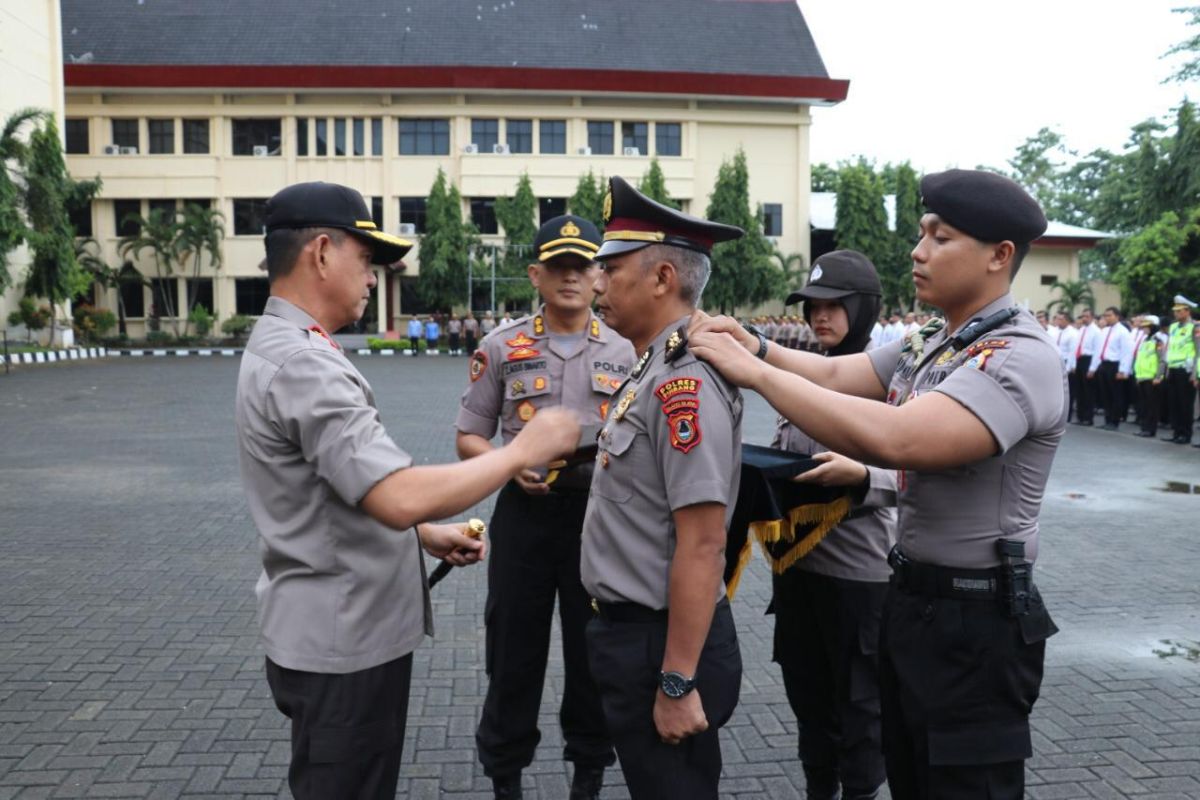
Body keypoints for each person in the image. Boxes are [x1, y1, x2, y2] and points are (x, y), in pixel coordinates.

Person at [690, 169, 1063, 800]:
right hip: (913, 600)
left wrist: (752, 374)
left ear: (1000, 256)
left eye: (939, 237)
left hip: (975, 619)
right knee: (908, 772)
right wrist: (752, 342)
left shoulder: (1014, 356)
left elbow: (900, 439)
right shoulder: (935, 342)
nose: (917, 252)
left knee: (964, 786)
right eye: (921, 234)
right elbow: (838, 377)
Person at [234, 181, 580, 800]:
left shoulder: (291, 346)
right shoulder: (304, 362)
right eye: (366, 261)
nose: (372, 279)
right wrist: (522, 451)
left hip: (331, 628)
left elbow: (338, 489)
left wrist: (423, 534)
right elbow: (394, 494)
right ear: (320, 253)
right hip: (343, 642)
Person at [455, 215, 633, 799]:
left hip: (597, 520)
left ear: (598, 276)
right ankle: (505, 776)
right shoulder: (501, 346)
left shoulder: (628, 349)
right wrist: (511, 463)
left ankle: (589, 775)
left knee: (593, 654)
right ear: (536, 274)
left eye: (583, 266)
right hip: (526, 518)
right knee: (513, 651)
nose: (572, 277)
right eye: (558, 266)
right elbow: (470, 436)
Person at [581, 176, 745, 799]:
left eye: (611, 267)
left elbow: (702, 544)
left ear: (662, 277)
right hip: (635, 635)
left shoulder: (685, 384)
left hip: (662, 642)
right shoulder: (649, 366)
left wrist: (676, 682)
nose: (596, 283)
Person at [771, 250, 897, 800]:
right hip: (799, 570)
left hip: (859, 579)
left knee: (861, 709)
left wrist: (865, 475)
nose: (820, 317)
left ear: (863, 310)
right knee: (809, 698)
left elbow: (921, 469)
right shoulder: (799, 377)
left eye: (834, 306)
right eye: (813, 307)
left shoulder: (894, 382)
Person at [1087, 306, 1132, 431]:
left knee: (1115, 394)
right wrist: (1093, 367)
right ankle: (1108, 419)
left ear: (1117, 316)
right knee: (1105, 394)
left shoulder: (1123, 331)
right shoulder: (1105, 331)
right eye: (1105, 315)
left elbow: (1126, 352)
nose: (1106, 318)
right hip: (1104, 364)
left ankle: (1114, 421)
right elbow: (1098, 350)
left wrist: (1123, 370)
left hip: (1115, 365)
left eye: (1109, 315)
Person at [1163, 295, 1197, 444]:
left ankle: (1185, 433)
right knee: (1174, 402)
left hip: (1186, 369)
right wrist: (1167, 369)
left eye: (1179, 311)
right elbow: (1170, 349)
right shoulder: (1173, 327)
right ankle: (1176, 432)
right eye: (1175, 311)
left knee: (1185, 403)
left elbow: (1198, 351)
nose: (1176, 314)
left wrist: (1195, 373)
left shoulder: (1195, 327)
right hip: (1173, 368)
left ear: (1187, 311)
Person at [1132, 315, 1168, 438]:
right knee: (1144, 405)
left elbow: (1162, 360)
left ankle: (1150, 429)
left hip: (1152, 378)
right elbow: (1140, 359)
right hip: (1142, 377)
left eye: (1146, 327)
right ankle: (1144, 427)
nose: (1144, 329)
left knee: (1152, 406)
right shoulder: (1145, 341)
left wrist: (1158, 376)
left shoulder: (1157, 341)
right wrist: (1138, 375)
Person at [1071, 308, 1101, 426]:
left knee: (1088, 391)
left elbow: (1097, 351)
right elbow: (1076, 347)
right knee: (1080, 391)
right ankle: (1080, 416)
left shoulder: (1096, 331)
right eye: (1083, 316)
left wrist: (1092, 368)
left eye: (1087, 316)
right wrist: (1073, 364)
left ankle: (1088, 418)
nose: (1084, 318)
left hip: (1089, 360)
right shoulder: (1081, 330)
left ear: (1092, 317)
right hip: (1080, 360)